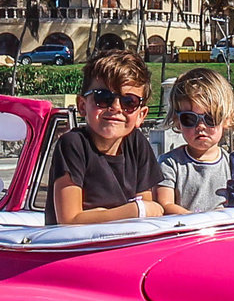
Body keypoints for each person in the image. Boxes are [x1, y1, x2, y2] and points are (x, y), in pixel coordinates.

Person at [51, 50, 167, 223]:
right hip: (80, 247)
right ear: (82, 106)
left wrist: (99, 214)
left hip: (123, 244)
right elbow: (69, 220)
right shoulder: (73, 145)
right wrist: (133, 210)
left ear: (141, 115)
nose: (116, 107)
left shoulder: (137, 143)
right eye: (103, 98)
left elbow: (147, 215)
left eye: (129, 102)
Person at [155, 68, 234, 214]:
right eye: (189, 118)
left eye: (211, 118)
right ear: (177, 121)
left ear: (227, 120)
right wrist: (199, 221)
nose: (201, 126)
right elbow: (164, 204)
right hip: (187, 232)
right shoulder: (170, 164)